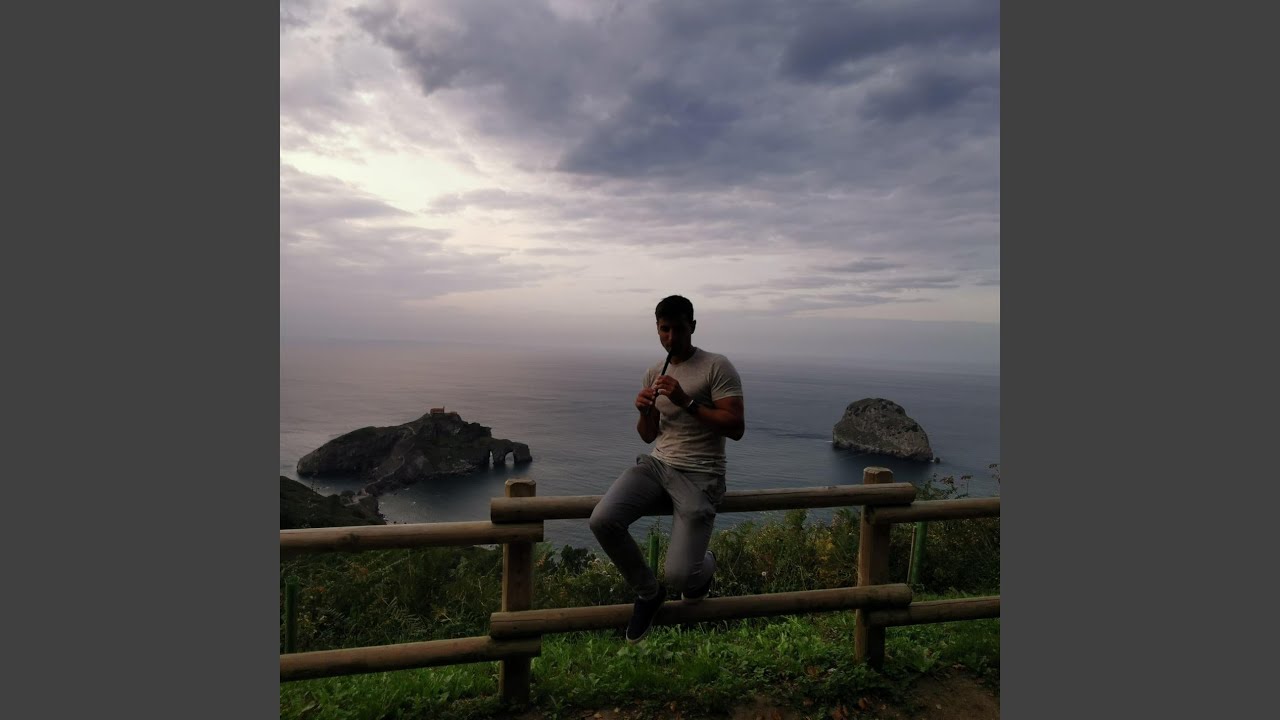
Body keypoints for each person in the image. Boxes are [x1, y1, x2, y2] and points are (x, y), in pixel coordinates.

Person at [588, 295, 746, 643]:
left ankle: (704, 566)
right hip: (657, 465)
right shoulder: (654, 372)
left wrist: (685, 401)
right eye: (664, 330)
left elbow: (736, 427)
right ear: (657, 329)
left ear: (693, 326)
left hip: (700, 475)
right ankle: (648, 592)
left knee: (681, 578)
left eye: (678, 329)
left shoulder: (716, 366)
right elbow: (648, 436)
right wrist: (643, 411)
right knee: (603, 520)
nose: (671, 337)